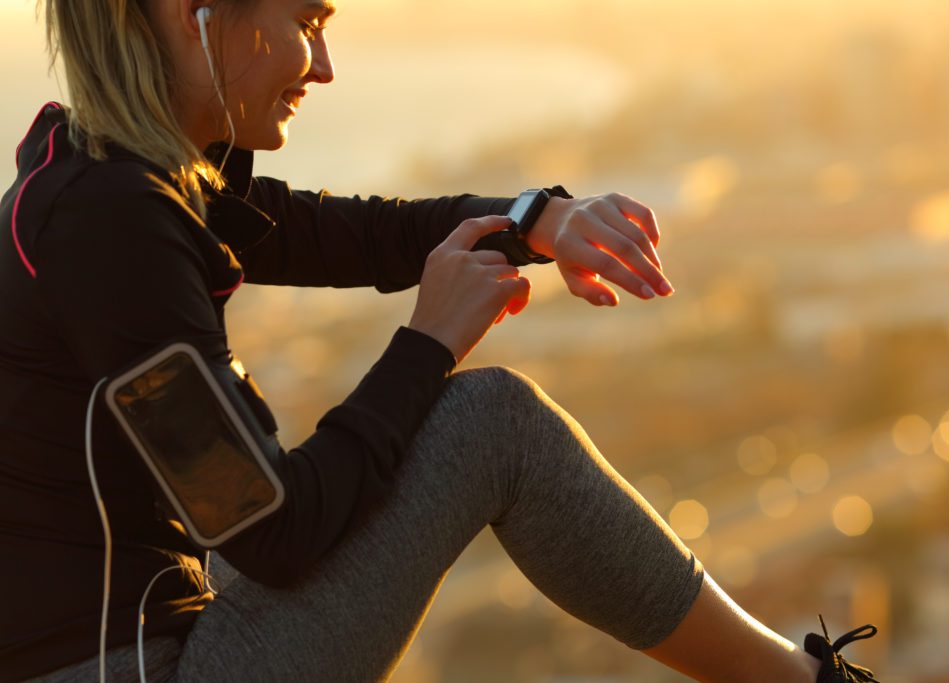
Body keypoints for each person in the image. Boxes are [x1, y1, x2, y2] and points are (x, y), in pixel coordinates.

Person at [0, 1, 880, 682]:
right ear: (196, 16)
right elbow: (274, 533)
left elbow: (352, 233)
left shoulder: (101, 181)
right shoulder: (111, 229)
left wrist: (540, 220)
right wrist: (429, 344)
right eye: (307, 21)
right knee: (491, 424)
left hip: (144, 641)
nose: (327, 65)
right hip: (137, 669)